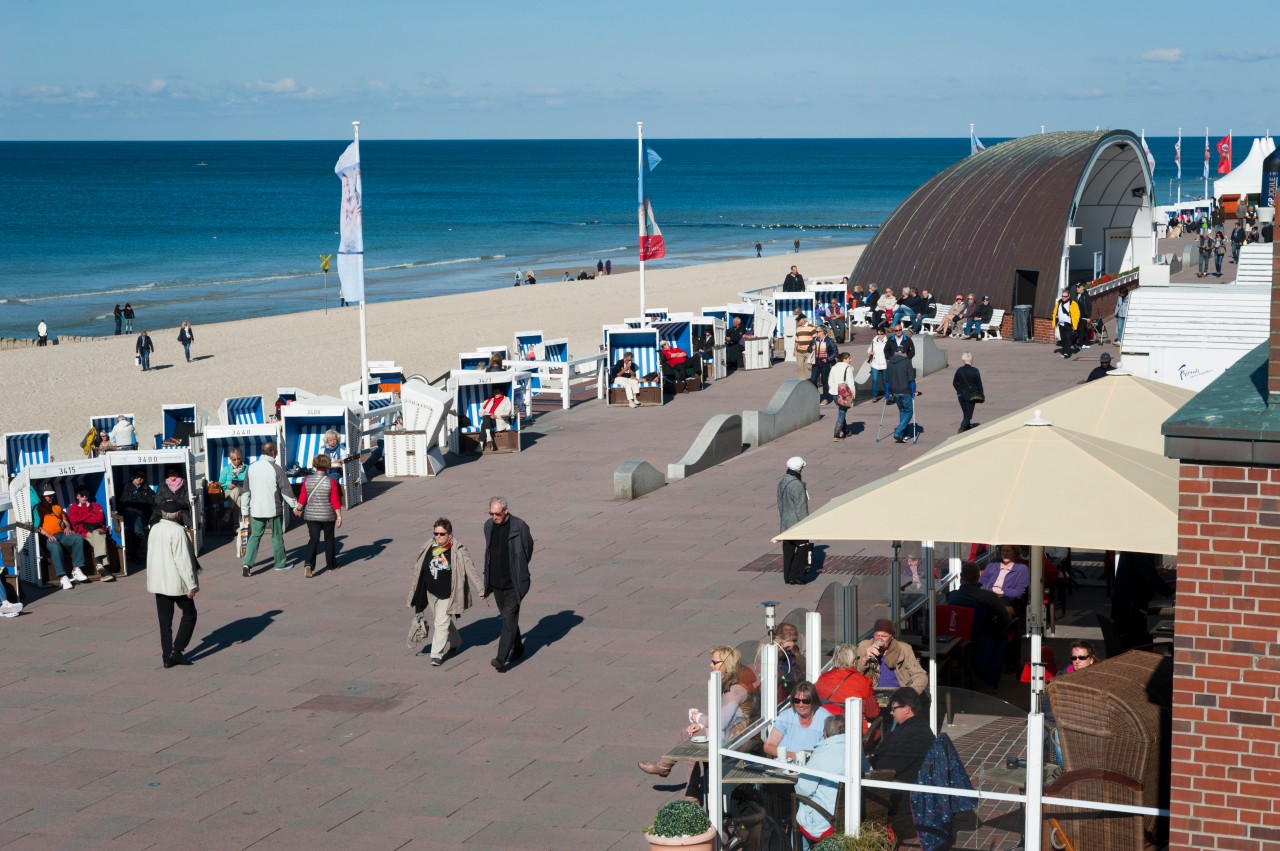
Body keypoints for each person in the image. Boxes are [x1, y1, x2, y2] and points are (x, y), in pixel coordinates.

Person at [638, 645, 755, 780]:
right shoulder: (735, 682)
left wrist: (698, 717)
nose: (711, 665)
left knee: (688, 736)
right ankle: (683, 784)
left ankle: (665, 768)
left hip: (734, 738)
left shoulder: (734, 691)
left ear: (727, 664)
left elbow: (721, 723)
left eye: (715, 662)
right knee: (692, 735)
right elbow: (727, 716)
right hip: (736, 732)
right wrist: (702, 726)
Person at [408, 517, 484, 666]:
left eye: (442, 534)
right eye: (436, 533)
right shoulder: (429, 545)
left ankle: (436, 655)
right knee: (442, 621)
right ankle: (456, 641)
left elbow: (471, 569)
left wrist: (481, 589)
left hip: (449, 594)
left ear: (449, 533)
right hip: (431, 592)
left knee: (440, 623)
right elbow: (419, 567)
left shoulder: (457, 549)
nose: (438, 537)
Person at [869, 687, 936, 823]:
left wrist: (869, 761)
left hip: (899, 797)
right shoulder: (921, 727)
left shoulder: (908, 736)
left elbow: (882, 769)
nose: (892, 713)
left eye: (894, 709)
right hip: (908, 788)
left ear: (906, 708)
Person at [482, 497, 534, 672]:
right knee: (508, 618)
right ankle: (518, 647)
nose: (494, 517)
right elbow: (489, 552)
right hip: (496, 583)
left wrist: (519, 568)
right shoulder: (488, 526)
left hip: (514, 583)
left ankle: (501, 657)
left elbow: (528, 549)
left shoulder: (519, 526)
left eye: (497, 513)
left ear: (506, 511)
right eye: (492, 513)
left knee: (508, 618)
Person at [147, 507, 199, 668]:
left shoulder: (154, 528)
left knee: (165, 621)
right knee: (190, 614)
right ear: (177, 514)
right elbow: (182, 561)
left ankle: (167, 656)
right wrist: (191, 584)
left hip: (158, 581)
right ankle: (176, 651)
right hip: (175, 582)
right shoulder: (178, 531)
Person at [947, 561, 1011, 687]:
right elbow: (1004, 620)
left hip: (956, 637)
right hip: (983, 638)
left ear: (961, 577)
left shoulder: (952, 596)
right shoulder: (988, 596)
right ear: (978, 577)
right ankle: (1008, 668)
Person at [241, 441, 299, 576]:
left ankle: (247, 563)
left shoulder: (251, 468)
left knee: (254, 537)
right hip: (273, 508)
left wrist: (244, 510)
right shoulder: (276, 468)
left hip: (256, 508)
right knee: (277, 536)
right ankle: (280, 563)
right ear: (273, 452)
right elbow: (286, 490)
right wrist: (295, 506)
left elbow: (245, 491)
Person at [794, 714, 847, 847]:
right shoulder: (857, 749)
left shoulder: (822, 752)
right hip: (851, 813)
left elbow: (804, 789)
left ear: (825, 732)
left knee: (799, 816)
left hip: (826, 818)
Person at [295, 455, 342, 579]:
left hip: (311, 515)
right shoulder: (331, 481)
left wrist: (298, 509)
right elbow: (335, 499)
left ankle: (309, 564)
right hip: (328, 515)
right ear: (327, 465)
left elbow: (303, 497)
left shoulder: (307, 479)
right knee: (329, 540)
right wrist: (339, 516)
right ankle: (331, 565)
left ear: (315, 465)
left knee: (313, 540)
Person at [35, 487, 89, 591]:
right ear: (42, 497)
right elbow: (37, 526)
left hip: (61, 533)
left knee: (77, 538)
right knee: (55, 546)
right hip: (47, 536)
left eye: (52, 495)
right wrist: (47, 534)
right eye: (48, 496)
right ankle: (63, 576)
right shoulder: (37, 509)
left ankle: (77, 569)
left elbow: (65, 520)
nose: (51, 497)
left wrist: (68, 527)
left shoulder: (57, 507)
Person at [815, 644, 879, 730]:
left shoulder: (822, 678)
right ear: (853, 661)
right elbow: (873, 713)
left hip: (826, 728)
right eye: (857, 658)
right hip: (854, 730)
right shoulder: (864, 681)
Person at [856, 619, 928, 692]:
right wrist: (864, 658)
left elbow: (920, 675)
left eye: (884, 636)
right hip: (871, 693)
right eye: (877, 635)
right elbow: (854, 675)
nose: (880, 639)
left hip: (898, 694)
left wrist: (910, 693)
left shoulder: (904, 649)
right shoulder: (864, 646)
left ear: (892, 636)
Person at [763, 681, 830, 759]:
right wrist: (789, 755)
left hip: (812, 766)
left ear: (814, 701)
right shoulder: (786, 716)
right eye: (797, 701)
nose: (800, 705)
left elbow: (830, 749)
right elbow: (768, 746)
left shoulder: (826, 718)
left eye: (806, 701)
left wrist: (808, 754)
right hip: (785, 764)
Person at [67, 486, 114, 581]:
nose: (84, 497)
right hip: (83, 532)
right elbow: (74, 521)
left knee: (98, 533)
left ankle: (100, 566)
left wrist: (83, 519)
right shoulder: (73, 508)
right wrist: (89, 514)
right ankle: (102, 568)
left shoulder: (96, 505)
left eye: (86, 495)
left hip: (96, 529)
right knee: (100, 537)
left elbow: (99, 519)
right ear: (77, 496)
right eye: (82, 495)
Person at [777, 457, 810, 585]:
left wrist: (784, 517)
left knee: (788, 549)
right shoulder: (797, 485)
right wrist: (806, 525)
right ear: (799, 468)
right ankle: (795, 575)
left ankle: (787, 576)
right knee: (803, 547)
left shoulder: (782, 481)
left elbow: (780, 503)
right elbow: (801, 508)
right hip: (796, 522)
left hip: (785, 522)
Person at [980, 545, 1031, 615]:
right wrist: (991, 590)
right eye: (1003, 550)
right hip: (988, 594)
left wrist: (1002, 591)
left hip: (1006, 599)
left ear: (1015, 553)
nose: (1005, 553)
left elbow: (1019, 592)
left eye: (1008, 551)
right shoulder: (993, 563)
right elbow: (982, 581)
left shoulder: (1022, 568)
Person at [120, 469, 156, 563]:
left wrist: (139, 510)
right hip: (127, 514)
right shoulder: (124, 488)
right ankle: (140, 540)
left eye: (142, 477)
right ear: (133, 476)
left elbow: (151, 505)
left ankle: (133, 552)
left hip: (142, 515)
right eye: (137, 476)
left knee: (135, 520)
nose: (139, 478)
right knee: (133, 516)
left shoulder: (148, 490)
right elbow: (121, 504)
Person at [886, 348, 916, 444]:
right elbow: (911, 377)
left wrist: (889, 391)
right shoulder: (906, 361)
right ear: (904, 352)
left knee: (902, 410)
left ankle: (902, 434)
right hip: (905, 390)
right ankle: (898, 432)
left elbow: (887, 378)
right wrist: (913, 390)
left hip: (895, 390)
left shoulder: (890, 362)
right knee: (909, 411)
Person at [218, 446, 250, 527]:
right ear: (230, 459)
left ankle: (228, 512)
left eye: (238, 459)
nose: (237, 461)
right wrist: (227, 485)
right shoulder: (226, 469)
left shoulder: (247, 468)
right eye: (234, 459)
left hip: (243, 489)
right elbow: (220, 483)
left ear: (241, 457)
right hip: (229, 491)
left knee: (238, 489)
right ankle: (236, 524)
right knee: (238, 498)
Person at [952, 352, 984, 433]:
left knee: (966, 413)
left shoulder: (959, 370)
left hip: (960, 395)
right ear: (971, 360)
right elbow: (979, 384)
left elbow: (954, 383)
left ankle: (968, 427)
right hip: (970, 395)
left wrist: (959, 391)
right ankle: (961, 430)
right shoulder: (975, 370)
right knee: (969, 415)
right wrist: (981, 394)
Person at [827, 352, 856, 441]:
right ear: (844, 359)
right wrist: (853, 393)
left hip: (834, 393)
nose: (851, 360)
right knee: (842, 413)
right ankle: (836, 435)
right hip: (843, 393)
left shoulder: (834, 367)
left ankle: (846, 431)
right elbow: (851, 383)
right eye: (849, 358)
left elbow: (829, 381)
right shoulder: (848, 368)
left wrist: (833, 389)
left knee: (841, 411)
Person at [478, 385, 514, 452]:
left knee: (484, 424)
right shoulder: (489, 400)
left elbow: (507, 412)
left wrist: (496, 416)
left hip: (499, 420)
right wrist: (483, 413)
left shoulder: (506, 400)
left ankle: (480, 445)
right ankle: (487, 436)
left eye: (497, 392)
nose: (496, 394)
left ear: (502, 392)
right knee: (486, 417)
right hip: (488, 419)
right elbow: (480, 410)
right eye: (494, 392)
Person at [808, 325, 837, 404]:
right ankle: (815, 396)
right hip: (816, 363)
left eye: (818, 331)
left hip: (825, 364)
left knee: (824, 381)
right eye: (816, 331)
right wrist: (812, 348)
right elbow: (808, 349)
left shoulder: (829, 340)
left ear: (823, 332)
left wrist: (828, 359)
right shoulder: (814, 340)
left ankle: (825, 398)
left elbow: (835, 352)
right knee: (813, 380)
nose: (816, 333)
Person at [1054, 289, 1079, 359]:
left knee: (1068, 338)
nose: (1063, 298)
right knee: (1063, 338)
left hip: (1068, 324)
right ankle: (1064, 350)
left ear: (1068, 296)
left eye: (1065, 296)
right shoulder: (1059, 303)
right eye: (1062, 296)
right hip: (1061, 324)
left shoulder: (1073, 303)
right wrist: (1055, 320)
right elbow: (1055, 312)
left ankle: (1067, 352)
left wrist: (1075, 322)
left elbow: (1077, 313)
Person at [867, 325, 888, 402]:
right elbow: (869, 349)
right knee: (875, 380)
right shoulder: (874, 341)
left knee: (885, 381)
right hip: (875, 364)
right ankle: (874, 396)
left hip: (884, 364)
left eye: (881, 334)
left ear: (884, 334)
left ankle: (887, 395)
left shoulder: (887, 342)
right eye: (878, 334)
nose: (879, 336)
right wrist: (870, 352)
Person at [1073, 283, 1092, 348]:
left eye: (1078, 287)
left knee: (1081, 330)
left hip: (1084, 316)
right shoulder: (1078, 295)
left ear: (1083, 287)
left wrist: (1088, 317)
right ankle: (1086, 343)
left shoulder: (1086, 296)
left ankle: (1079, 344)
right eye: (1076, 287)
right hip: (1078, 316)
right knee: (1083, 330)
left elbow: (1088, 307)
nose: (1077, 288)